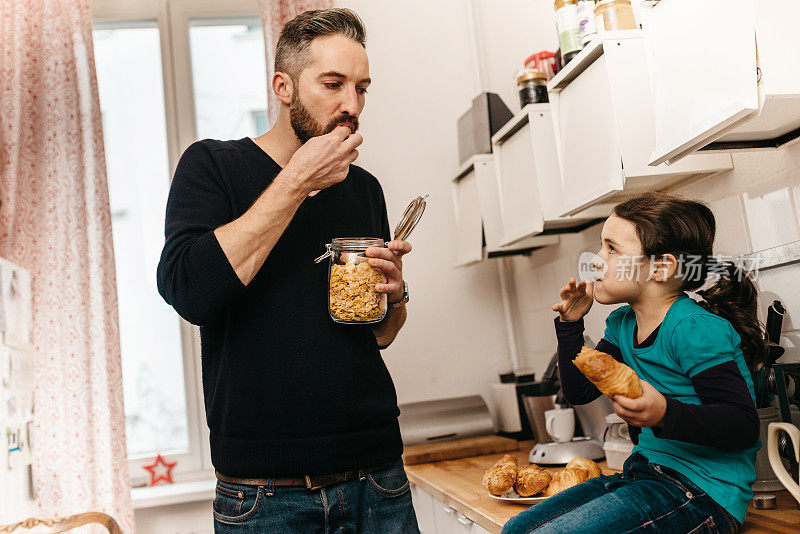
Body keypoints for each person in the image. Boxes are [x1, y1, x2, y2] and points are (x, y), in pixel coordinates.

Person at [156, 8, 419, 533]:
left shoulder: (365, 189)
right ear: (283, 86)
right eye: (333, 84)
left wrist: (395, 299)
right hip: (262, 496)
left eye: (362, 88)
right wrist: (296, 181)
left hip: (379, 477)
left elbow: (381, 335)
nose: (352, 106)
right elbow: (188, 290)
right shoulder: (212, 167)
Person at [503, 192, 764, 534]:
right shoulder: (623, 323)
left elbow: (742, 425)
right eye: (602, 246)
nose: (595, 260)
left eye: (611, 249)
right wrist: (570, 326)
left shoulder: (693, 328)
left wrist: (665, 414)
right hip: (644, 474)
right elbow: (580, 392)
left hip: (703, 494)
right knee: (515, 530)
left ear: (663, 267)